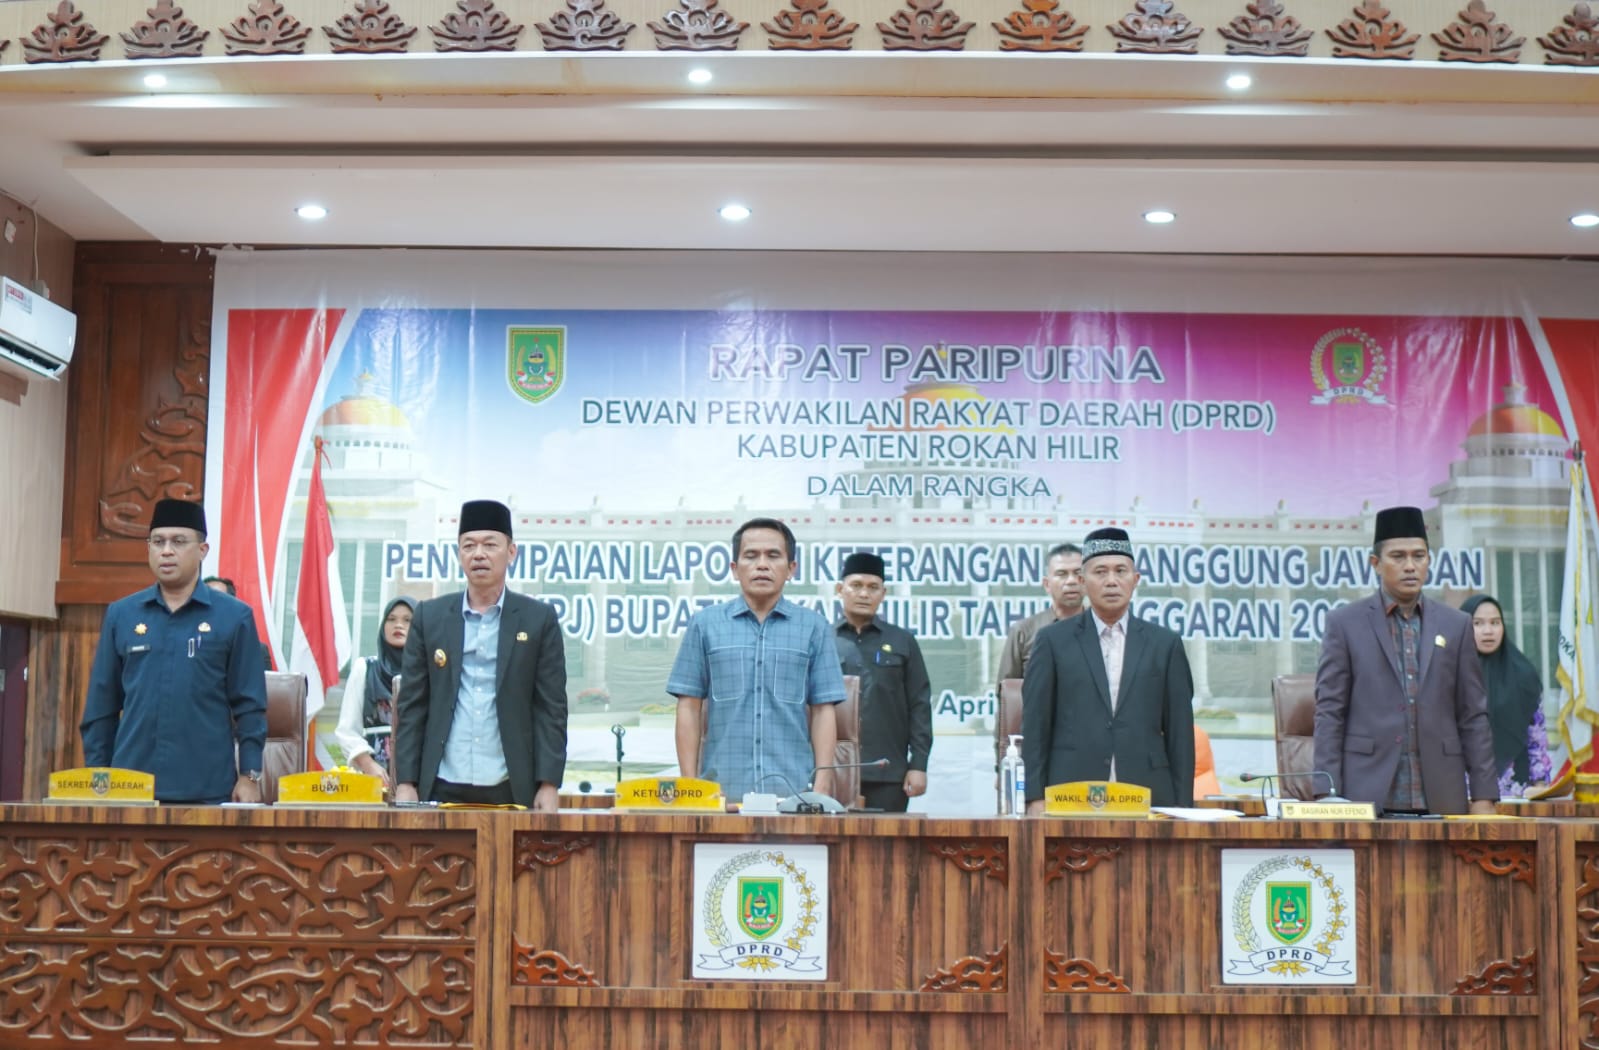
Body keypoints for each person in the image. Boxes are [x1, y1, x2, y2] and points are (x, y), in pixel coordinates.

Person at [80, 499, 268, 804]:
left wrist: (250, 775)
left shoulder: (235, 617)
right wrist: (97, 773)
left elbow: (250, 706)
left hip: (207, 790)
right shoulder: (122, 615)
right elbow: (101, 706)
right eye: (158, 542)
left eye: (178, 542)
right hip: (130, 788)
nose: (166, 551)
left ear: (202, 550)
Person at [1313, 506, 1498, 815]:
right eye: (1398, 557)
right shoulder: (1345, 624)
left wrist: (1484, 795)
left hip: (1441, 794)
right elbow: (1330, 712)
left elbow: (1473, 716)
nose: (1410, 566)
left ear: (1429, 561)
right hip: (1366, 794)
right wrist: (1325, 792)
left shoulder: (1457, 625)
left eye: (1419, 556)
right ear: (1375, 563)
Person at [393, 500, 567, 810]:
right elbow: (412, 706)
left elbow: (550, 709)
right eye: (469, 545)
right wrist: (406, 782)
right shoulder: (429, 617)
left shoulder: (538, 619)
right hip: (441, 780)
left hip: (511, 783)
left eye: (490, 544)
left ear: (511, 552)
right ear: (459, 553)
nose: (479, 554)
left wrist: (549, 783)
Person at [669, 517, 849, 801]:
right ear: (734, 569)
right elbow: (688, 707)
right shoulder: (705, 625)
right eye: (751, 556)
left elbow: (823, 710)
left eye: (773, 555)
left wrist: (822, 787)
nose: (762, 565)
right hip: (721, 793)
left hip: (794, 794)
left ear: (791, 569)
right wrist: (691, 787)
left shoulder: (814, 627)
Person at [1022, 527, 1194, 813]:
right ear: (1082, 581)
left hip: (1149, 792)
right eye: (1100, 572)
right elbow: (1035, 724)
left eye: (1120, 571)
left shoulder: (1165, 644)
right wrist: (1034, 796)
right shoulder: (1053, 641)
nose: (1111, 581)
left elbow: (1180, 733)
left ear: (1135, 580)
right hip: (1070, 792)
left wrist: (1183, 805)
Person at [832, 551, 933, 812]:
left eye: (873, 587)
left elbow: (919, 706)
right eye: (856, 585)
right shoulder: (823, 639)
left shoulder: (902, 641)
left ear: (883, 593)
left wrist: (918, 765)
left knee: (888, 840)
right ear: (840, 590)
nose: (864, 594)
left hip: (888, 772)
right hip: (831, 771)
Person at [1460, 594, 1552, 798]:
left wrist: (1540, 783)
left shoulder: (1523, 674)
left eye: (1495, 622)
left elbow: (1536, 734)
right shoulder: (1450, 674)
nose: (1488, 631)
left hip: (1516, 789)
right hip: (1463, 789)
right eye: (1478, 623)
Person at [333, 595, 418, 786]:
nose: (398, 625)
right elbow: (347, 730)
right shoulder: (365, 668)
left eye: (407, 620)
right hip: (372, 778)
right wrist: (368, 764)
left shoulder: (427, 673)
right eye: (391, 619)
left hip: (418, 780)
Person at [996, 542, 1084, 689]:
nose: (1071, 581)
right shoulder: (1023, 631)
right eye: (1062, 574)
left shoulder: (1101, 628)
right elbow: (1006, 691)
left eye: (1078, 573)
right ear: (1047, 584)